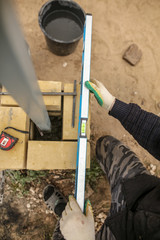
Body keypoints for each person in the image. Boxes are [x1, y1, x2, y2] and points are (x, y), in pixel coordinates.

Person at [43, 79, 160, 240]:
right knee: (106, 146)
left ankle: (65, 215)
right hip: (141, 192)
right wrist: (114, 106)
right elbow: (157, 135)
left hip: (120, 236)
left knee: (65, 233)